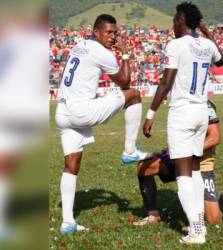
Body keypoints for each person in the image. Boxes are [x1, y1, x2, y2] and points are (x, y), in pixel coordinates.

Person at [55, 14, 151, 234]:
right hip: (81, 111)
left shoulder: (80, 45)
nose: (113, 36)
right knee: (134, 95)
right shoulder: (102, 52)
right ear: (95, 32)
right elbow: (125, 81)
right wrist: (125, 51)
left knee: (71, 165)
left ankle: (67, 222)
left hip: (63, 112)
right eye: (108, 32)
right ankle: (129, 150)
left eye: (115, 32)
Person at [143, 2, 223, 244]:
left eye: (175, 20)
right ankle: (197, 225)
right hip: (201, 111)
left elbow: (166, 83)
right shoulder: (207, 44)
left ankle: (198, 230)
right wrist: (206, 30)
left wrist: (150, 113)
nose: (173, 24)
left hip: (182, 113)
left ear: (183, 22)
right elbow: (221, 62)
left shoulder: (176, 45)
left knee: (184, 174)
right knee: (196, 169)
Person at [134, 100, 223, 228]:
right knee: (145, 166)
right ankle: (153, 215)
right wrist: (165, 152)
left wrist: (187, 151)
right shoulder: (178, 102)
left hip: (201, 164)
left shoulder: (205, 105)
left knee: (213, 219)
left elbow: (215, 137)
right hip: (179, 159)